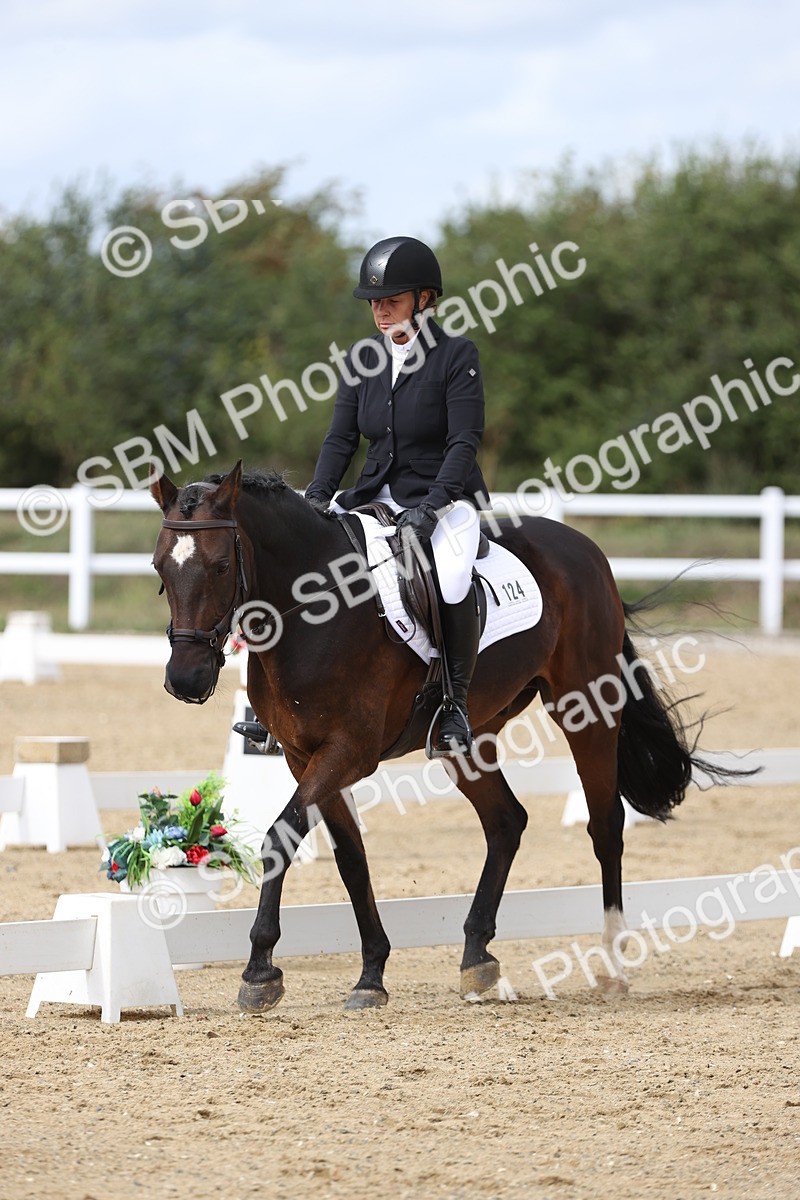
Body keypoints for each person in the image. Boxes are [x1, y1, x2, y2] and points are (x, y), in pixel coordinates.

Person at [303, 235, 489, 755]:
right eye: (375, 303)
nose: (381, 312)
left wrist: (432, 507)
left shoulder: (456, 355)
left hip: (443, 497)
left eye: (392, 300)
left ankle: (454, 706)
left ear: (424, 299)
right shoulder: (362, 357)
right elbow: (342, 438)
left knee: (451, 576)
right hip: (371, 496)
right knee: (301, 550)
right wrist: (318, 496)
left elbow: (464, 441)